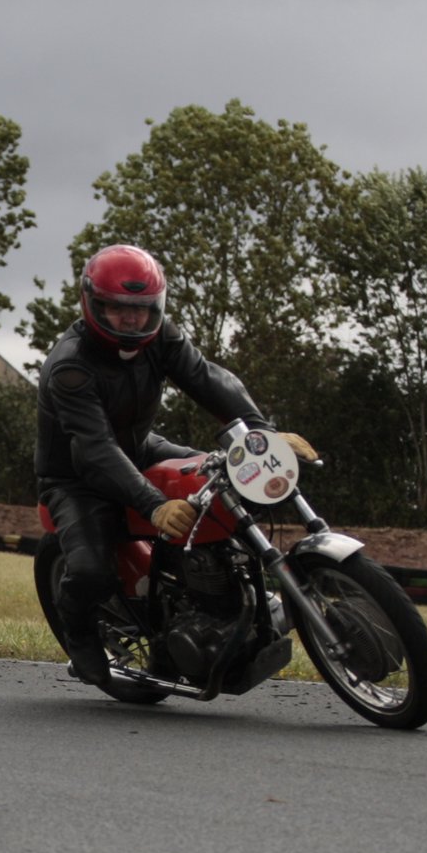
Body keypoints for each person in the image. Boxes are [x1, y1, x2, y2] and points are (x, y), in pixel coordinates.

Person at [36, 244, 313, 686]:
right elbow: (96, 449)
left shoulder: (161, 336)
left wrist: (262, 435)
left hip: (142, 448)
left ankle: (226, 592)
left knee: (225, 484)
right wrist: (155, 505)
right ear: (93, 304)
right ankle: (81, 634)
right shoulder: (70, 367)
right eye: (118, 309)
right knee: (90, 571)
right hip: (75, 476)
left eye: (142, 309)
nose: (132, 319)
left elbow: (209, 379)